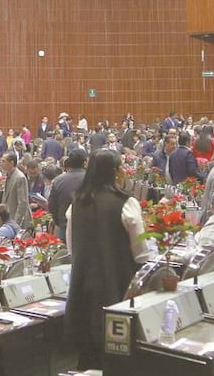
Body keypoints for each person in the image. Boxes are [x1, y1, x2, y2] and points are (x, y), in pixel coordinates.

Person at [64, 152, 148, 370]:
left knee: (89, 357)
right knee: (118, 359)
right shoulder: (126, 203)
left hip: (83, 289)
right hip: (118, 288)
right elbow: (141, 253)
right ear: (113, 171)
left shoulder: (76, 204)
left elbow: (73, 249)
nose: (123, 171)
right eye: (121, 167)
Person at [48, 150, 87, 241]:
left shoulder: (58, 181)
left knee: (64, 254)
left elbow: (52, 207)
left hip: (64, 226)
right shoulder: (92, 179)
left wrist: (59, 221)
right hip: (87, 228)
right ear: (84, 162)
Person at [2, 152, 33, 233]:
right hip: (10, 218)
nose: (1, 163)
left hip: (19, 221)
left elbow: (22, 202)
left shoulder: (20, 177)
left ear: (11, 163)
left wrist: (15, 223)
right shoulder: (9, 175)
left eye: (3, 161)